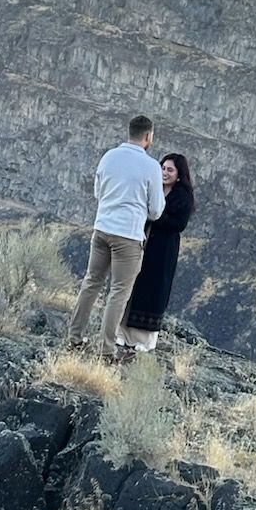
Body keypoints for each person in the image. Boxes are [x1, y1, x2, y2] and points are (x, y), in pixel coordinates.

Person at [67, 115, 164, 360]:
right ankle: (106, 349)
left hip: (102, 229)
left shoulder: (108, 157)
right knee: (119, 291)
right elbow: (155, 210)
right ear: (148, 137)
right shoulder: (151, 166)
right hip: (128, 236)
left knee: (91, 282)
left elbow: (98, 193)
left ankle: (75, 337)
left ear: (129, 132)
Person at [118, 152, 195, 352]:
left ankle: (144, 339)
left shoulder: (182, 197)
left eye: (170, 169)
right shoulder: (152, 188)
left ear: (179, 175)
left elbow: (179, 224)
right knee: (132, 285)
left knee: (153, 290)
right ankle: (122, 333)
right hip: (140, 241)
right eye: (163, 168)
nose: (165, 172)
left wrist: (155, 216)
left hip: (162, 249)